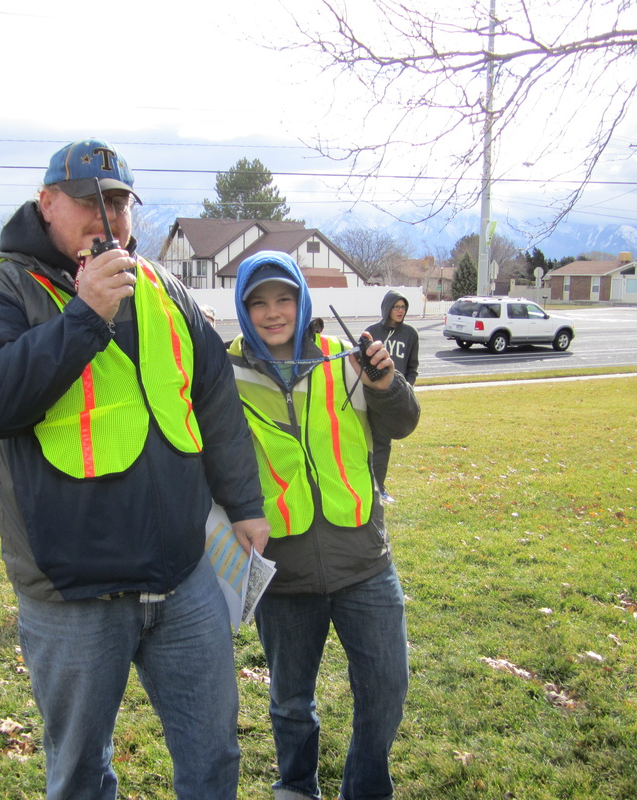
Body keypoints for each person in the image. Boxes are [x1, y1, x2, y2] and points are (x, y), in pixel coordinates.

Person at [0, 138, 270, 800]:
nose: (107, 217)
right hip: (74, 594)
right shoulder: (4, 290)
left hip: (183, 578)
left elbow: (215, 400)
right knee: (80, 776)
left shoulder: (162, 288)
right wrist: (84, 316)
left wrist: (244, 503)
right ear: (46, 204)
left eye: (118, 203)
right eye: (88, 201)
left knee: (214, 755)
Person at [227, 251, 420, 800]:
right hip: (282, 570)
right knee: (291, 701)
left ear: (303, 301)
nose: (272, 312)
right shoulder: (225, 372)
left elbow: (403, 422)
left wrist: (385, 383)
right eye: (258, 302)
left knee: (386, 687)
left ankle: (365, 789)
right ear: (243, 309)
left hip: (363, 559)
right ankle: (296, 787)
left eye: (283, 299)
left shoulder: (344, 359)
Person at [364, 290, 420, 504]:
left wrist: (406, 389)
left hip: (394, 399)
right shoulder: (372, 331)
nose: (400, 311)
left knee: (383, 442)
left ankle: (380, 487)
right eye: (396, 306)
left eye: (403, 307)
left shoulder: (410, 334)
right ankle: (363, 485)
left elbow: (413, 367)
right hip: (371, 395)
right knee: (363, 440)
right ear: (387, 308)